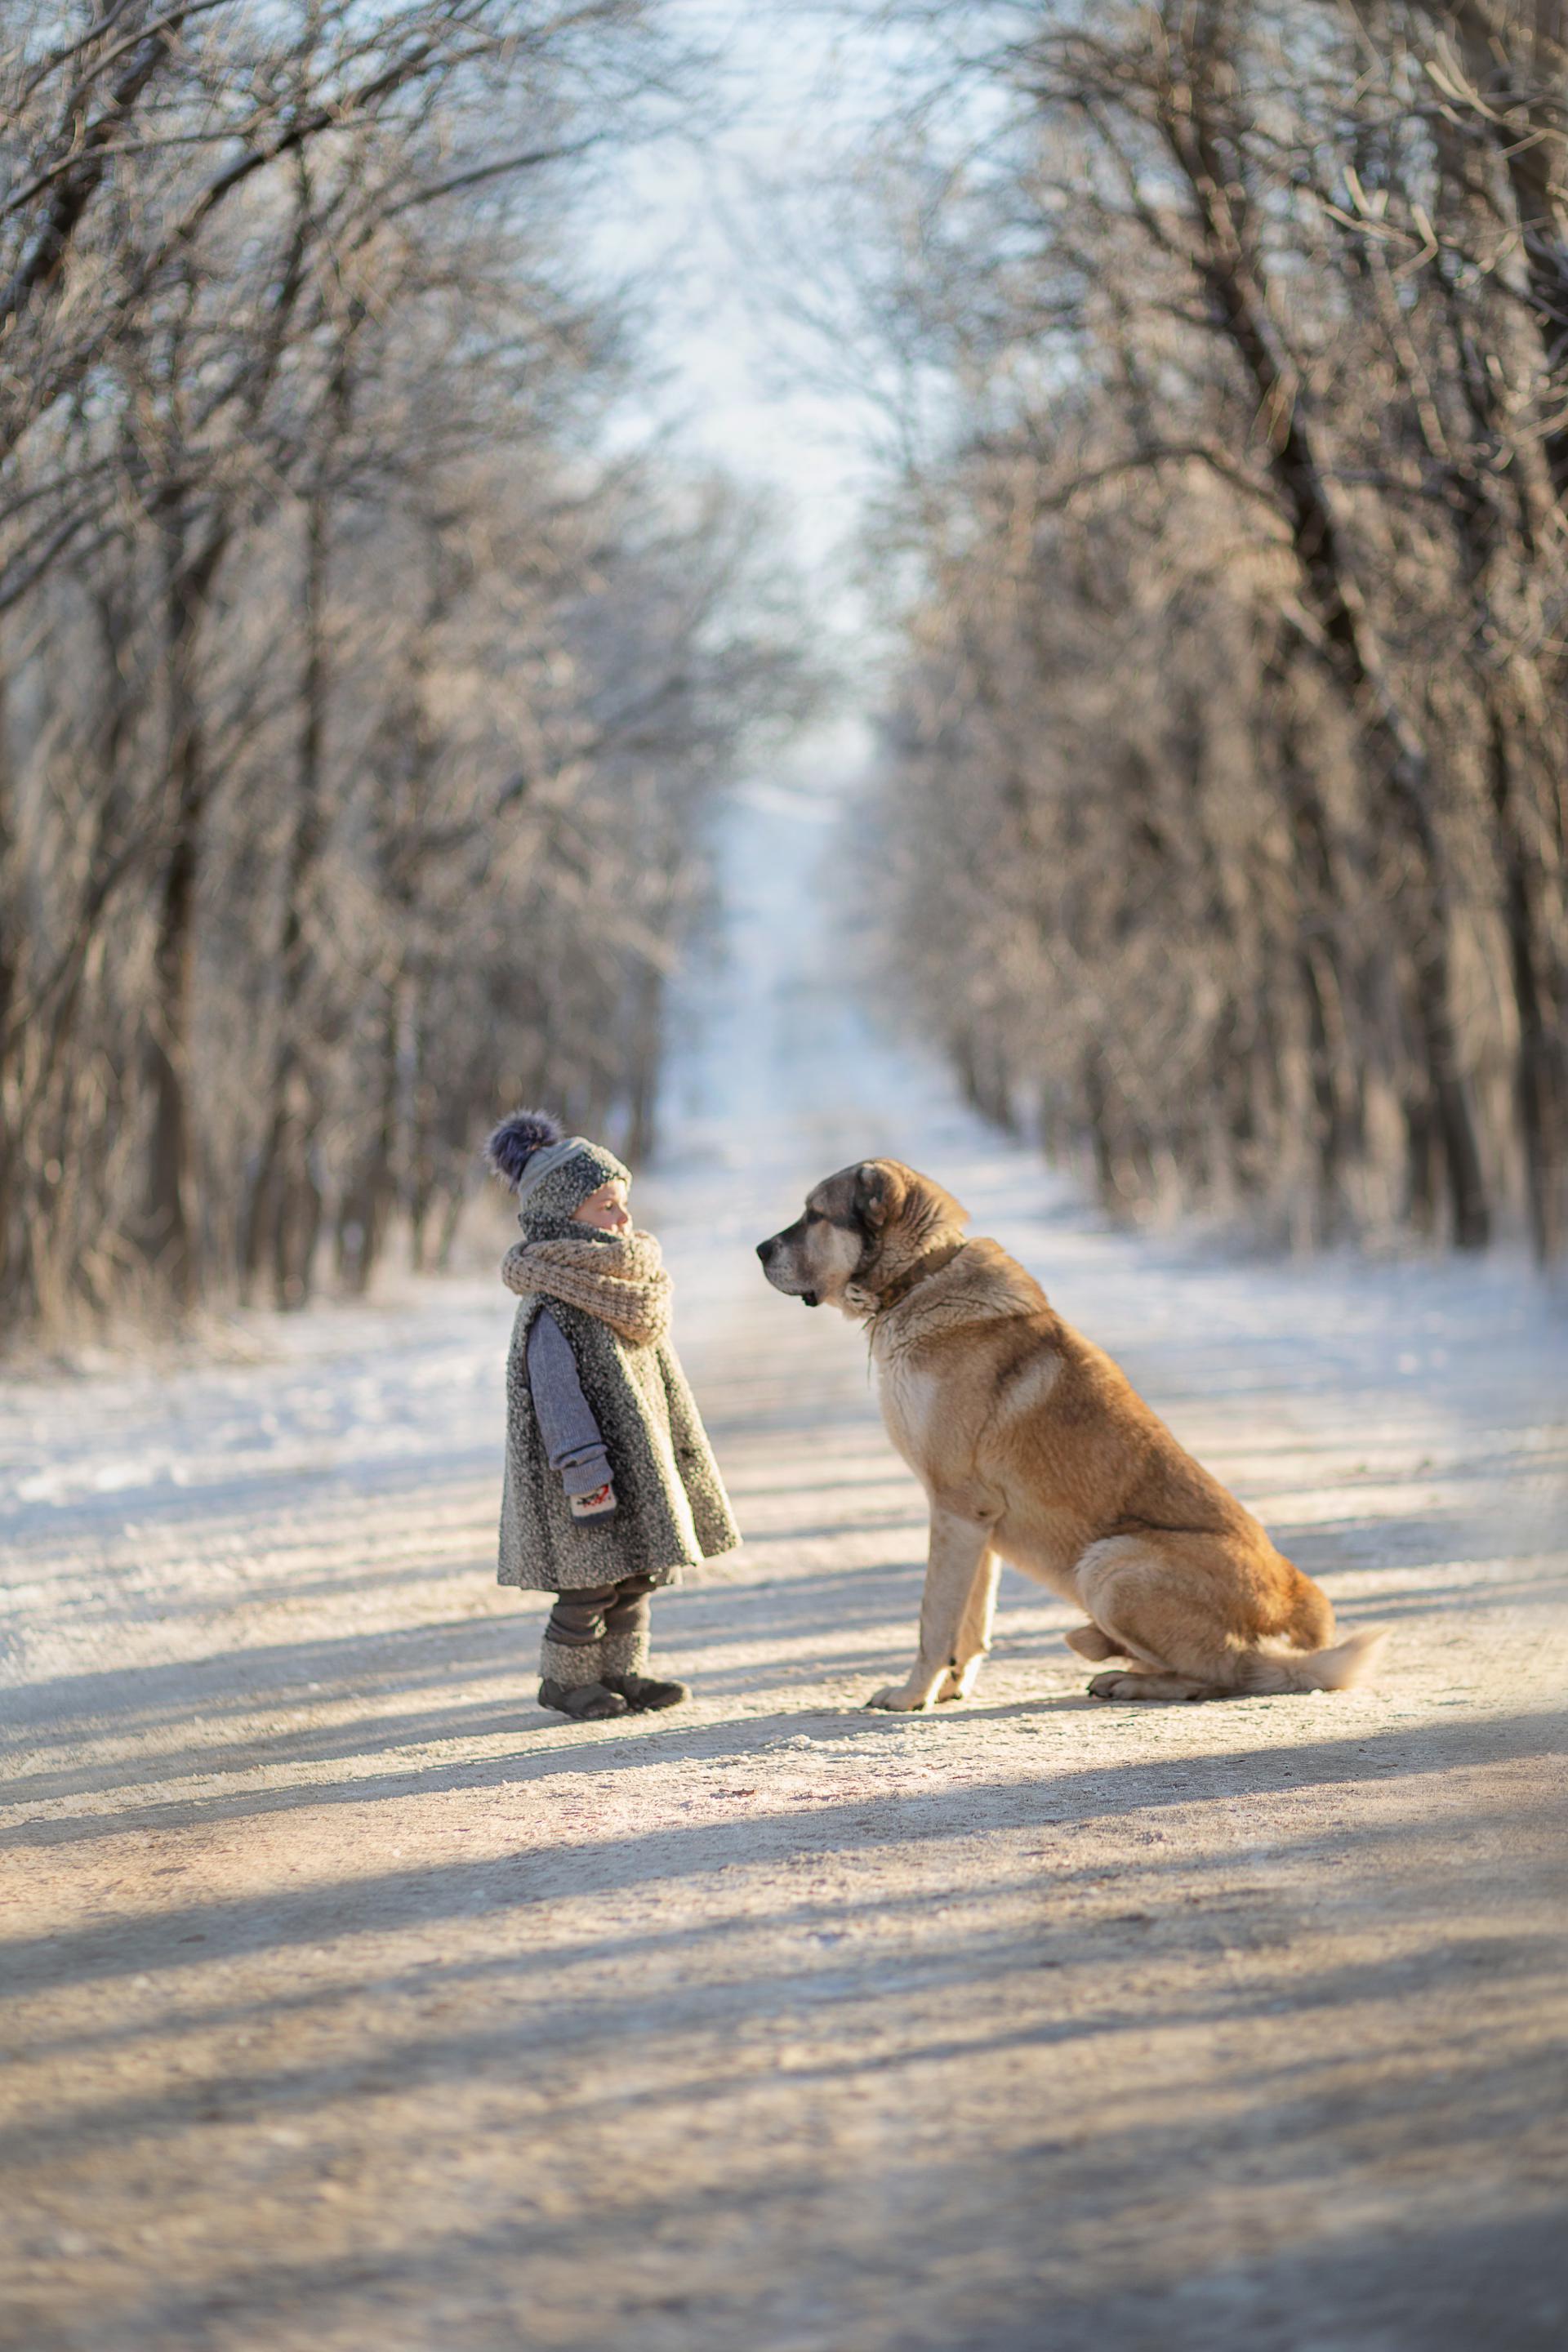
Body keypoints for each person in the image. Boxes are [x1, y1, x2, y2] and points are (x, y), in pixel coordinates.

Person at [487, 1110, 741, 1720]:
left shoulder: (625, 1289)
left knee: (635, 1575)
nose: (623, 1219)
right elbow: (556, 1400)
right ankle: (566, 1680)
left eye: (622, 1203)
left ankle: (622, 1671)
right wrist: (583, 1472)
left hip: (636, 1461)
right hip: (586, 1474)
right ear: (561, 1217)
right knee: (588, 1584)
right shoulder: (556, 1305)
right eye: (606, 1207)